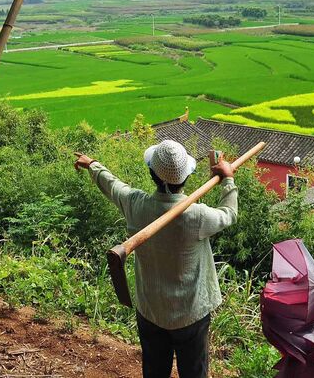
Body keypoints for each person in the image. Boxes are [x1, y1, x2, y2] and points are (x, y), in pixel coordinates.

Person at [74, 140, 238, 378]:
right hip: (191, 313)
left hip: (151, 310)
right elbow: (229, 214)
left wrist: (93, 165)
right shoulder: (198, 215)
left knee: (154, 371)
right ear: (187, 176)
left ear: (152, 174)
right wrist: (228, 179)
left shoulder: (136, 205)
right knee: (194, 373)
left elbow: (113, 186)